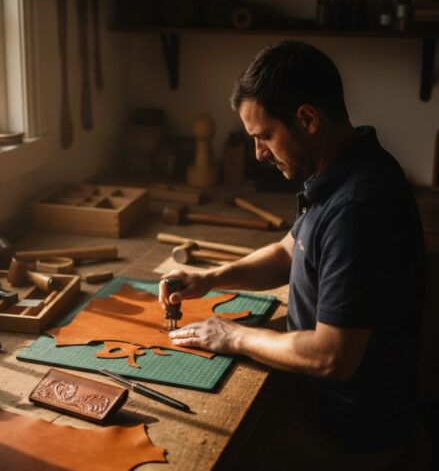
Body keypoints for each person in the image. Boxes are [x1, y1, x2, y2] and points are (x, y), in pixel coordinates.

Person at [159, 41, 425, 470]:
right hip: (326, 413)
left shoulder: (357, 206)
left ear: (307, 119)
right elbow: (291, 250)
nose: (260, 154)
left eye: (264, 136)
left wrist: (235, 337)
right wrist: (210, 278)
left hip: (347, 438)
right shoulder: (344, 168)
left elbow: (331, 356)